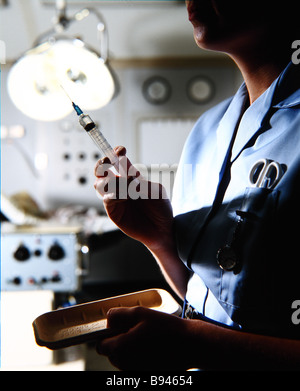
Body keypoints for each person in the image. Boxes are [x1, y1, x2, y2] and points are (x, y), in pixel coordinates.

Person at [93, 1, 300, 370]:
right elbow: (210, 297)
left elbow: (206, 338)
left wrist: (194, 343)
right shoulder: (210, 128)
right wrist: (159, 239)